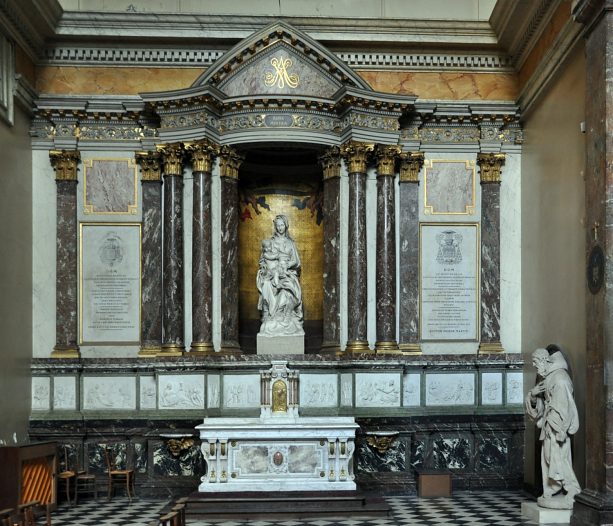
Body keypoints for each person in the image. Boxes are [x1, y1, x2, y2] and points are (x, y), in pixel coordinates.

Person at [525, 345, 581, 509]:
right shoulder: (549, 377)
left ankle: (573, 489)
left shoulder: (560, 378)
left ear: (544, 360)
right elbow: (540, 407)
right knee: (549, 457)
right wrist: (534, 395)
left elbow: (565, 406)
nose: (534, 366)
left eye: (535, 362)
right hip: (549, 425)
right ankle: (552, 487)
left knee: (559, 458)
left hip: (557, 427)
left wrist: (562, 428)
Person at [256, 215, 304, 336]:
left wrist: (286, 266)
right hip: (272, 273)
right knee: (267, 284)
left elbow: (296, 262)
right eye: (278, 225)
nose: (280, 228)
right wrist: (268, 269)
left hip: (288, 273)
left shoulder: (290, 243)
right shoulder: (270, 242)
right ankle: (269, 316)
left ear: (286, 225)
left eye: (282, 225)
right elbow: (263, 260)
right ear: (275, 227)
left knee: (288, 288)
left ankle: (286, 317)